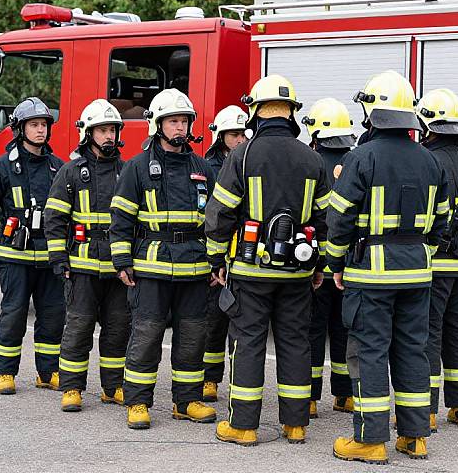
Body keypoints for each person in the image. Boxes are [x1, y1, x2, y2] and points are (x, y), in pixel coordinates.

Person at [327, 71, 449, 463]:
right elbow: (442, 223)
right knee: (414, 350)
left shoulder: (361, 157)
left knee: (369, 352)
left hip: (370, 275)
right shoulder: (431, 161)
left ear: (370, 110)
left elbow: (340, 217)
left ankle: (370, 439)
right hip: (417, 273)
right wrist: (419, 250)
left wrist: (335, 263)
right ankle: (414, 437)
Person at [205, 74, 330, 446]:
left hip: (249, 271)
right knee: (295, 342)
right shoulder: (313, 158)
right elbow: (325, 219)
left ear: (255, 111)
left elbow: (219, 213)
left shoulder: (242, 156)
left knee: (248, 341)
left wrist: (216, 260)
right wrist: (319, 265)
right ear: (291, 113)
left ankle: (243, 426)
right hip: (298, 272)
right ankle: (295, 425)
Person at [109, 88, 217, 429]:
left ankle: (186, 401)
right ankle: (138, 402)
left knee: (193, 336)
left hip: (196, 267)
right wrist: (122, 260)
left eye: (184, 121)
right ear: (157, 124)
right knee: (146, 335)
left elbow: (215, 218)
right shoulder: (137, 168)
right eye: (173, 121)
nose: (180, 127)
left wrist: (217, 262)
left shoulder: (201, 167)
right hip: (151, 267)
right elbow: (121, 217)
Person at [44, 99, 131, 412]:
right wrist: (59, 260)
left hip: (119, 268)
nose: (109, 135)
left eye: (112, 130)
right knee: (79, 328)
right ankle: (71, 388)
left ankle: (113, 386)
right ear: (88, 133)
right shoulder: (71, 172)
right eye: (102, 130)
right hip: (80, 267)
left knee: (118, 328)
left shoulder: (127, 171)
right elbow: (54, 219)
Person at [0, 97, 64, 394]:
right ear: (20, 129)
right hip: (14, 257)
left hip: (49, 259)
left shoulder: (58, 167)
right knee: (14, 312)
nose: (40, 130)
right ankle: (5, 373)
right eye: (34, 125)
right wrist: (3, 234)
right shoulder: (2, 166)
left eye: (44, 125)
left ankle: (48, 371)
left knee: (53, 315)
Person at [417, 88, 458, 431]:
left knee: (427, 334)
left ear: (428, 124)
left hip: (434, 263)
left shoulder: (428, 161)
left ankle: (426, 410)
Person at [302, 98, 356, 418]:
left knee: (311, 329)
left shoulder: (309, 162)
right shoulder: (357, 160)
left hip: (314, 263)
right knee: (344, 329)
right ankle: (344, 395)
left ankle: (309, 399)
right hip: (349, 262)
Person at [203, 105, 248, 403]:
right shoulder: (206, 169)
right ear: (220, 137)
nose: (241, 139)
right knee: (212, 323)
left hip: (242, 256)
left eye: (244, 133)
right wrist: (211, 261)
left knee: (240, 327)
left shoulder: (249, 164)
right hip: (215, 256)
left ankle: (238, 383)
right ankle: (209, 379)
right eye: (234, 134)